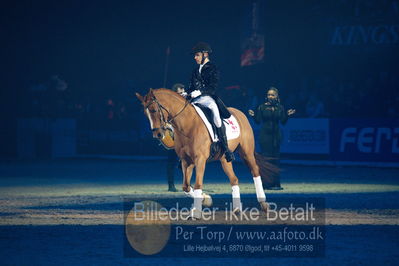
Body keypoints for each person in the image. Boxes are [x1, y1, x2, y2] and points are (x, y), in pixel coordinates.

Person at [187, 42, 235, 162]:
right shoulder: (195, 70)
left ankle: (225, 148)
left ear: (205, 54)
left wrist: (200, 92)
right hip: (195, 99)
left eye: (197, 55)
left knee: (215, 114)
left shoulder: (213, 68)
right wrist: (186, 92)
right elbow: (191, 86)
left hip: (208, 98)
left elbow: (213, 87)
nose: (195, 57)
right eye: (195, 55)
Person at [248, 87, 295, 190]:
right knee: (266, 160)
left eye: (272, 95)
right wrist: (253, 115)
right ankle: (266, 184)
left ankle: (276, 183)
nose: (270, 96)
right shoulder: (262, 107)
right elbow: (257, 121)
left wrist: (287, 115)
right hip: (265, 136)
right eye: (269, 95)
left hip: (276, 136)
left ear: (276, 96)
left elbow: (283, 122)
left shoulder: (280, 108)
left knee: (276, 159)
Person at [166, 83, 186, 192]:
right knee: (171, 161)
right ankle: (171, 185)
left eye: (182, 93)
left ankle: (187, 184)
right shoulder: (170, 106)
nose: (181, 95)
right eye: (179, 93)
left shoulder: (186, 104)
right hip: (174, 136)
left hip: (186, 137)